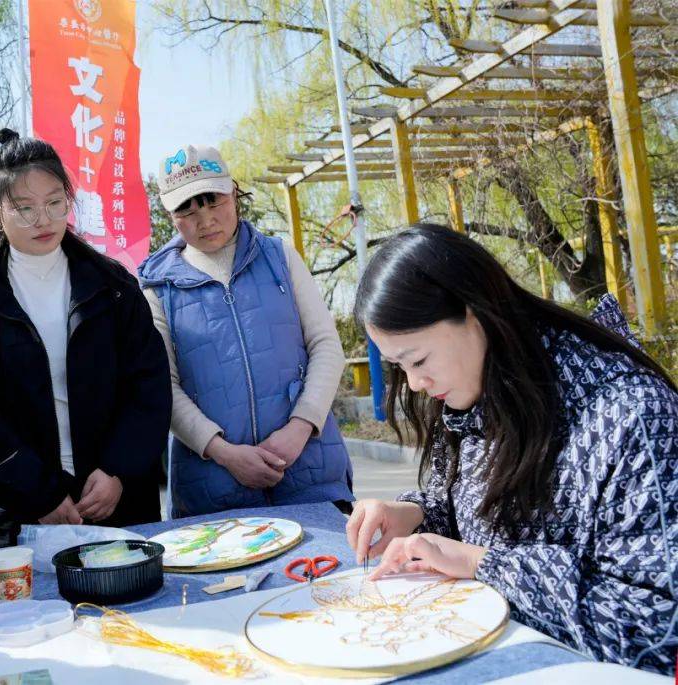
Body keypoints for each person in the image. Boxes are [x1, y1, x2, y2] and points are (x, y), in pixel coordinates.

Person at [347, 224, 677, 674]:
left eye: (419, 360)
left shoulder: (630, 414)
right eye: (399, 367)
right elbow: (476, 510)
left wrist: (484, 565)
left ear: (475, 314)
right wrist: (415, 515)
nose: (416, 384)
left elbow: (655, 628)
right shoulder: (486, 389)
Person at [0, 129, 171, 543]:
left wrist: (117, 468)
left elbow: (147, 386)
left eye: (54, 202)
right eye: (24, 208)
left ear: (69, 199)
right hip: (22, 516)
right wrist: (38, 495)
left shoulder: (112, 286)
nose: (43, 220)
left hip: (117, 501)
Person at [137, 144, 352, 518]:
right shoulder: (157, 288)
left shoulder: (280, 257)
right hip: (212, 490)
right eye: (187, 207)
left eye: (214, 200)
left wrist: (300, 428)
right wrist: (225, 454)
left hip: (309, 473)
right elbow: (163, 387)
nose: (204, 219)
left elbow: (326, 346)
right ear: (170, 214)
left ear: (234, 193)